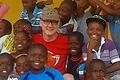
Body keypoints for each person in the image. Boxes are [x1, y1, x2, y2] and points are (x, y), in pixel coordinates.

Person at [32, 7, 68, 74]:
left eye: (54, 22)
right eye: (47, 21)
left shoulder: (66, 42)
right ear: (41, 23)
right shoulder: (34, 40)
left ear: (58, 24)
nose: (50, 25)